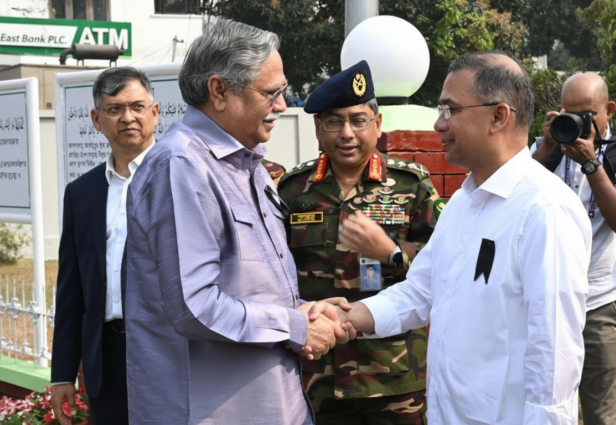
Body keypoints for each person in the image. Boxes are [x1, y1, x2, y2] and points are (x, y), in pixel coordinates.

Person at [318, 50, 592, 424]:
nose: (439, 123)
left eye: (451, 109)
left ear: (498, 116)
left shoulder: (544, 209)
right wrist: (342, 315)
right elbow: (420, 291)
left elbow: (555, 351)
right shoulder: (464, 202)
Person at [124, 18, 351, 424]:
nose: (282, 105)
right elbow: (194, 306)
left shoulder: (249, 165)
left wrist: (305, 312)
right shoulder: (182, 166)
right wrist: (293, 326)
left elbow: (249, 287)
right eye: (271, 93)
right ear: (219, 91)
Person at [278, 60, 442, 424]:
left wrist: (392, 252)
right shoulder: (292, 190)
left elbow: (446, 260)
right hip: (318, 374)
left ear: (378, 124)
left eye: (358, 120)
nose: (347, 133)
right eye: (334, 122)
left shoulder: (411, 185)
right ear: (317, 128)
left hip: (394, 374)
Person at [530, 72, 616, 424]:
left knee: (603, 416)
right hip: (545, 301)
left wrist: (591, 163)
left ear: (609, 110)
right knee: (541, 410)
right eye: (569, 112)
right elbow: (513, 201)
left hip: (598, 301)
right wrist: (546, 148)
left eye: (587, 114)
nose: (578, 122)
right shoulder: (544, 151)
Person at [50, 66, 159, 425]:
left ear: (155, 113)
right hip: (105, 358)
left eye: (137, 107)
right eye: (115, 109)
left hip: (166, 350)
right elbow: (71, 289)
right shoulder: (81, 193)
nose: (128, 117)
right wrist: (63, 373)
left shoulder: (179, 177)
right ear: (97, 119)